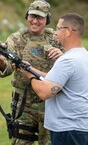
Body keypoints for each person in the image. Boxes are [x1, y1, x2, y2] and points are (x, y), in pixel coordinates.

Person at [0, 0, 63, 145]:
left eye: (40, 17)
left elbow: (72, 64)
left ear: (47, 19)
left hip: (50, 104)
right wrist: (0, 60)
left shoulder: (56, 39)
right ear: (27, 17)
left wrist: (62, 55)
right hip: (23, 105)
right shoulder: (16, 39)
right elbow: (6, 70)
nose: (35, 21)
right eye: (32, 16)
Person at [20, 13, 88, 145]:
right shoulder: (83, 56)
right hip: (80, 128)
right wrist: (30, 68)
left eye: (58, 28)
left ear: (68, 31)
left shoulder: (67, 61)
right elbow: (55, 80)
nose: (55, 33)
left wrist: (29, 75)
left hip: (68, 130)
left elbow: (45, 92)